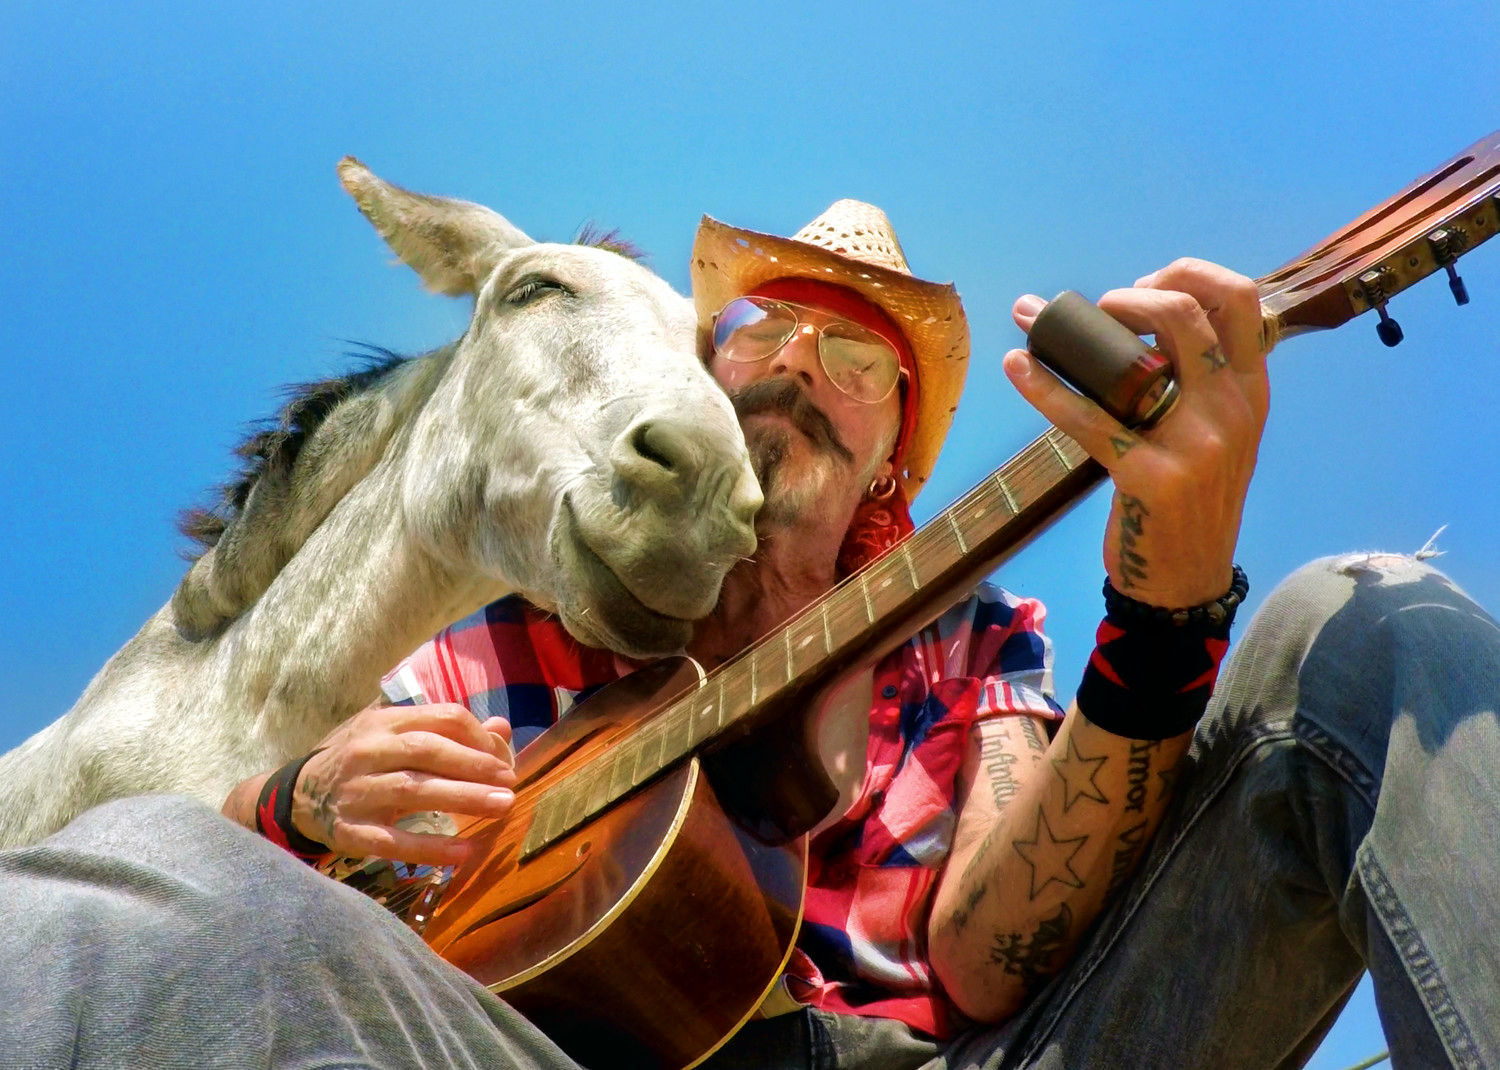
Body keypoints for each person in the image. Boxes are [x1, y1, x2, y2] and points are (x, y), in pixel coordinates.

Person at [3, 203, 1496, 1070]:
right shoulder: (520, 632)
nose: (796, 361)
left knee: (1361, 627)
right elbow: (351, 911)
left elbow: (987, 954)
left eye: (856, 354)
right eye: (763, 329)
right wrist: (292, 805)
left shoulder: (978, 646)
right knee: (160, 896)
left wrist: (1168, 612)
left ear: (894, 458)